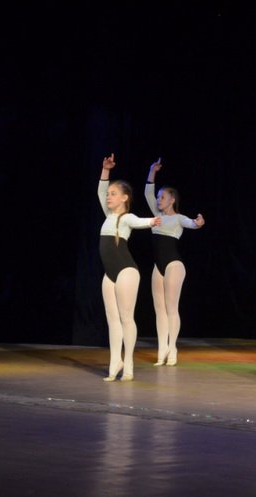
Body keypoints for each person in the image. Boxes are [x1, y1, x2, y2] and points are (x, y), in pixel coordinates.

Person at [98, 153, 161, 381]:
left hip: (126, 271)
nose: (108, 197)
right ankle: (115, 362)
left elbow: (137, 221)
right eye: (108, 194)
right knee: (112, 320)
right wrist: (106, 170)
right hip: (109, 274)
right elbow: (100, 191)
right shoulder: (108, 215)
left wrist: (151, 221)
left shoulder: (125, 218)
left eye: (113, 194)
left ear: (124, 198)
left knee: (126, 318)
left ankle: (130, 364)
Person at [144, 158, 205, 367]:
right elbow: (147, 193)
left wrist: (198, 223)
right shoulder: (156, 216)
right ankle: (162, 350)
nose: (158, 200)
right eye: (158, 197)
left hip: (174, 265)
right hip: (158, 267)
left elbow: (192, 223)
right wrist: (152, 171)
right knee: (159, 310)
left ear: (172, 200)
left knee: (171, 308)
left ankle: (173, 348)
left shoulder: (178, 218)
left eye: (162, 197)